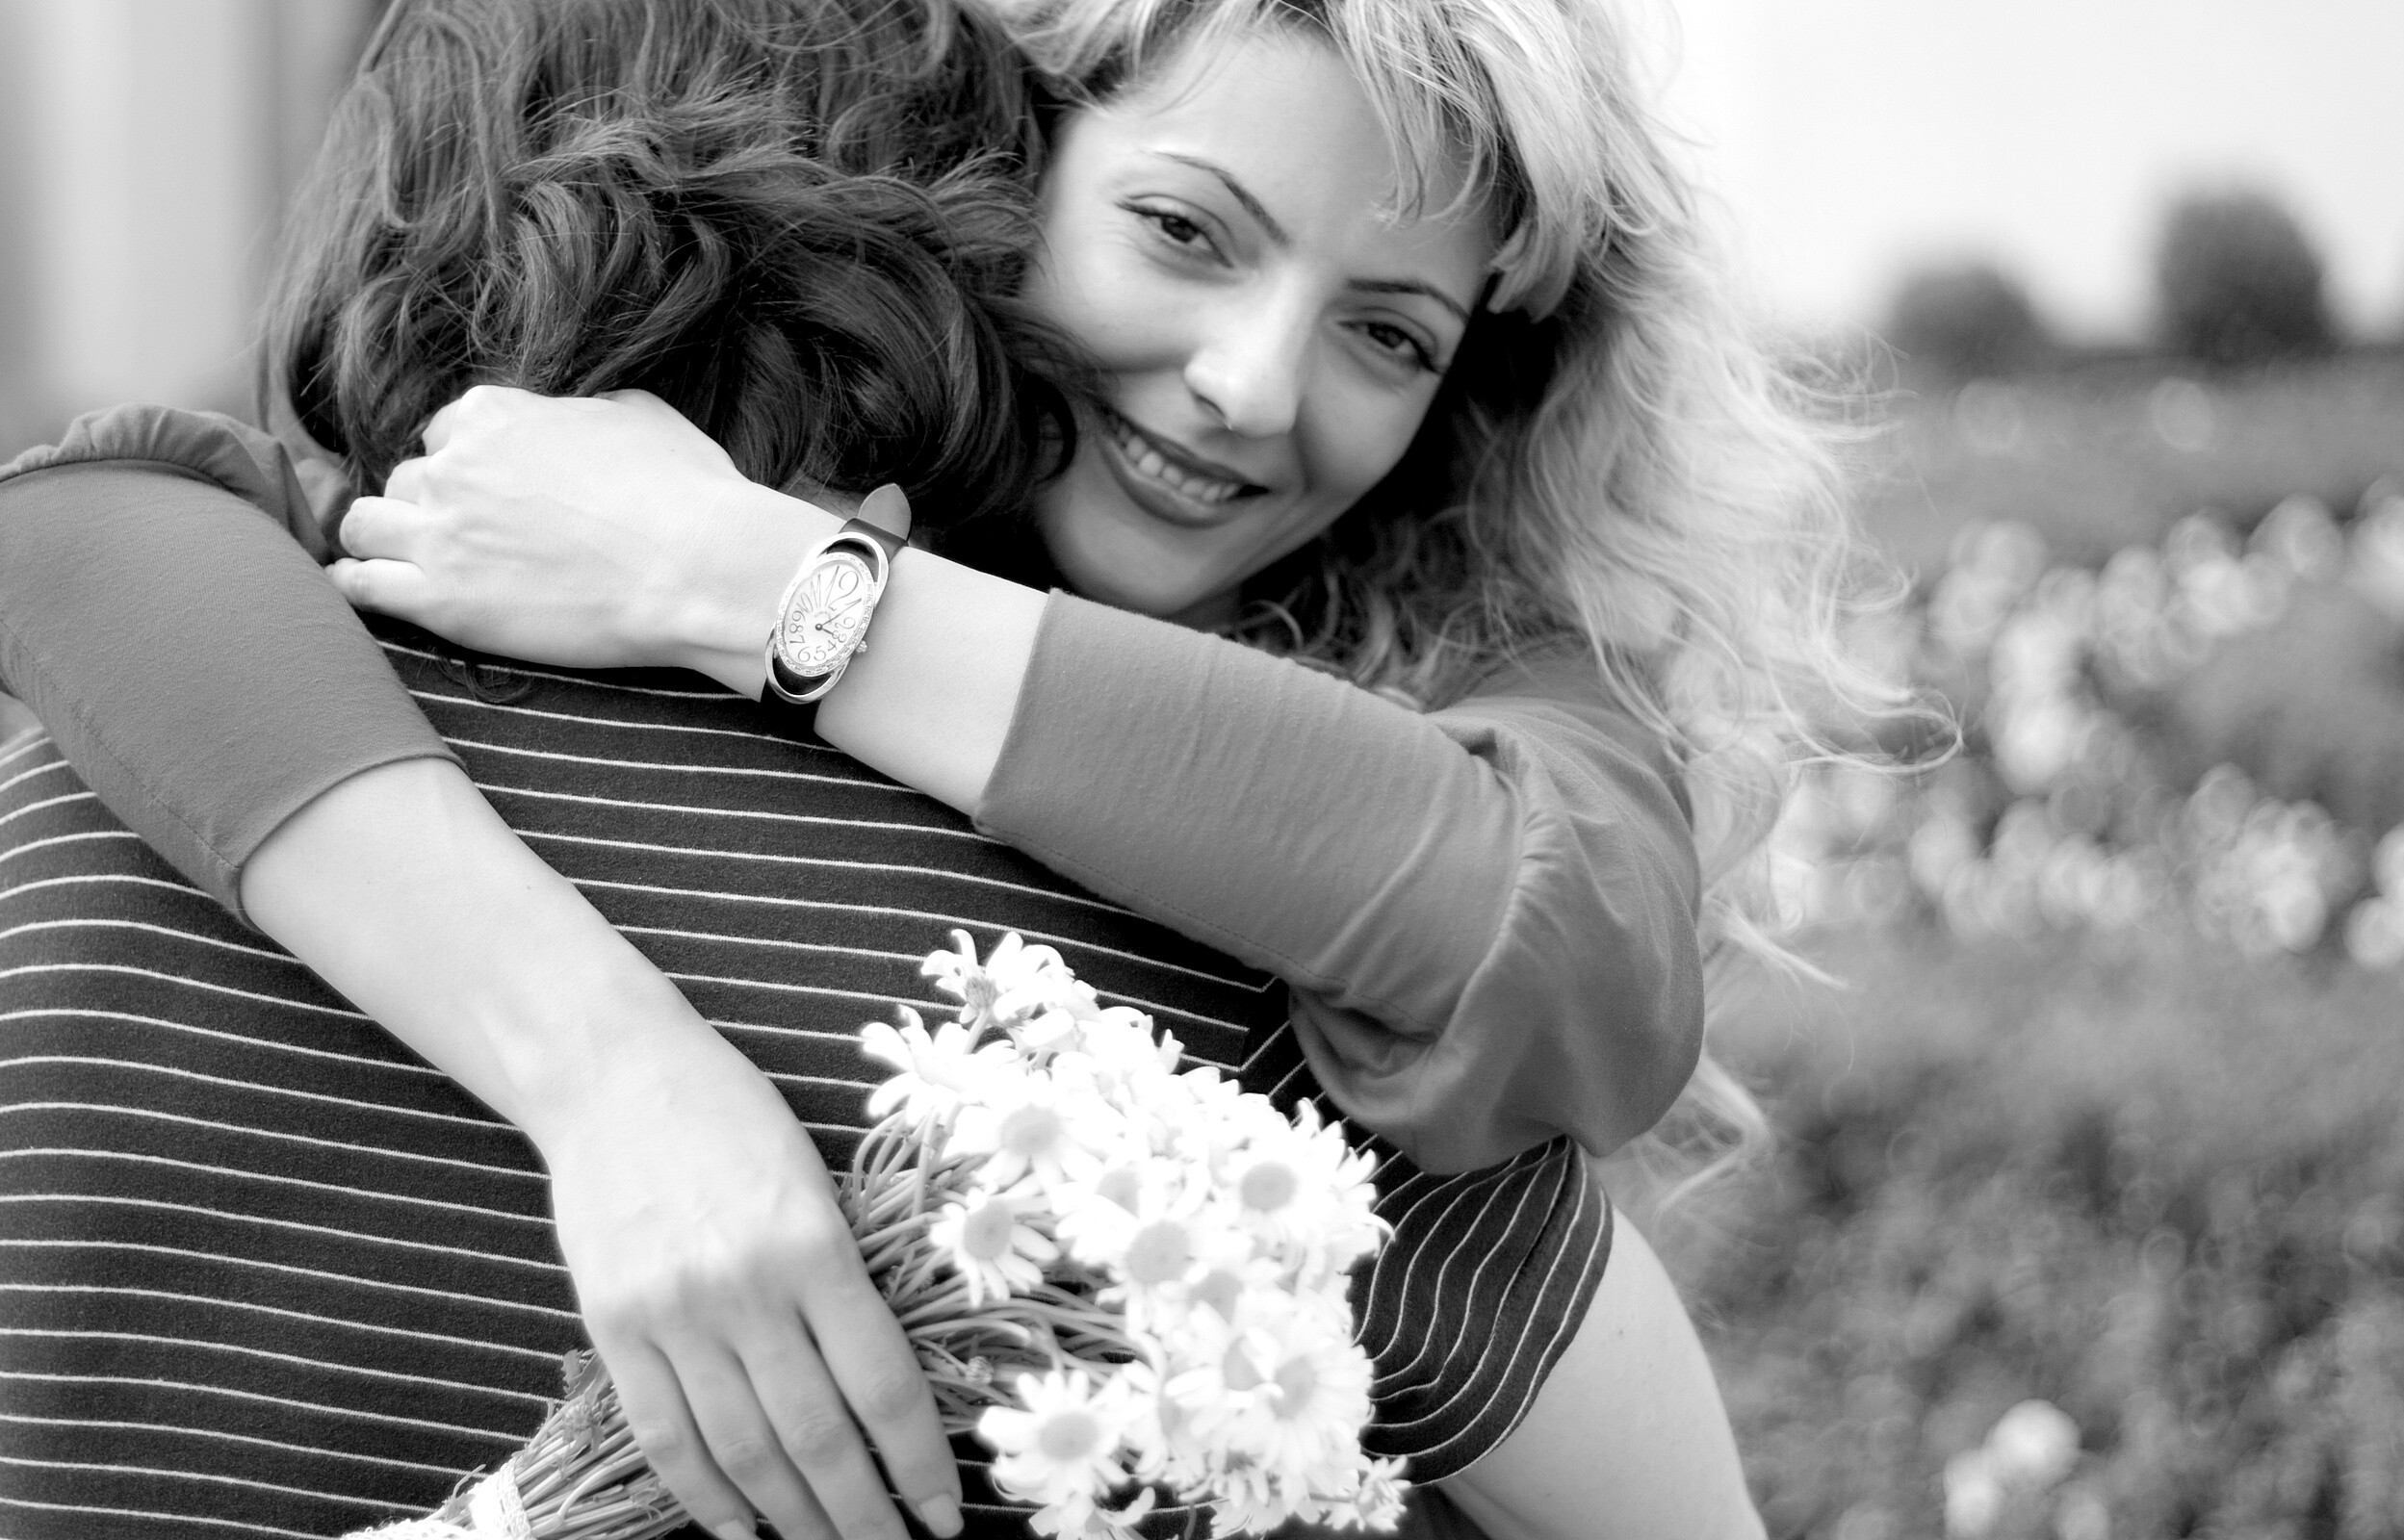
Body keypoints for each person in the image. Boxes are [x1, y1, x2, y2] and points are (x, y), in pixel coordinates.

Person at [0, 0, 1849, 1537]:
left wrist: (757, 584)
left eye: (1390, 333)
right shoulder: (554, 574)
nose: (1254, 385)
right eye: (1186, 230)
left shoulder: (1460, 672)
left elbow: (1563, 933)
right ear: (1003, 166)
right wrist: (619, 1077)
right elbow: (86, 524)